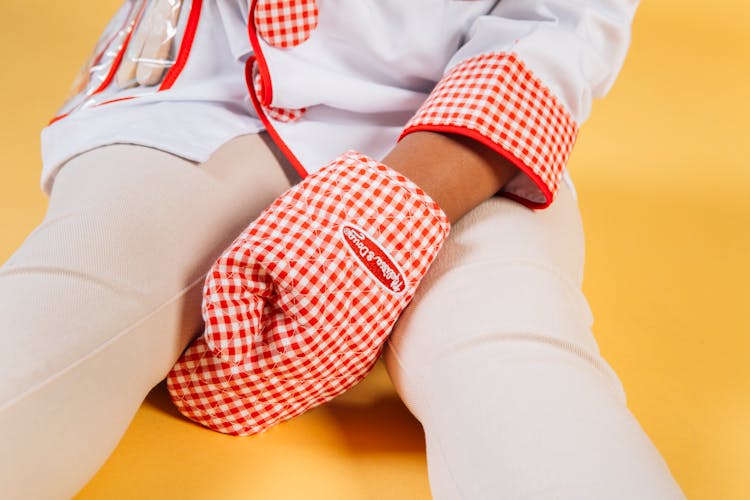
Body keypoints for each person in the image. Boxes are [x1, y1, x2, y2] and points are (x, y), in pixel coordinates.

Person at [0, 0, 686, 498]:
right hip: (209, 89)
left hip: (459, 121)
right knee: (83, 289)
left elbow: (560, 25)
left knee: (506, 344)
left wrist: (382, 220)